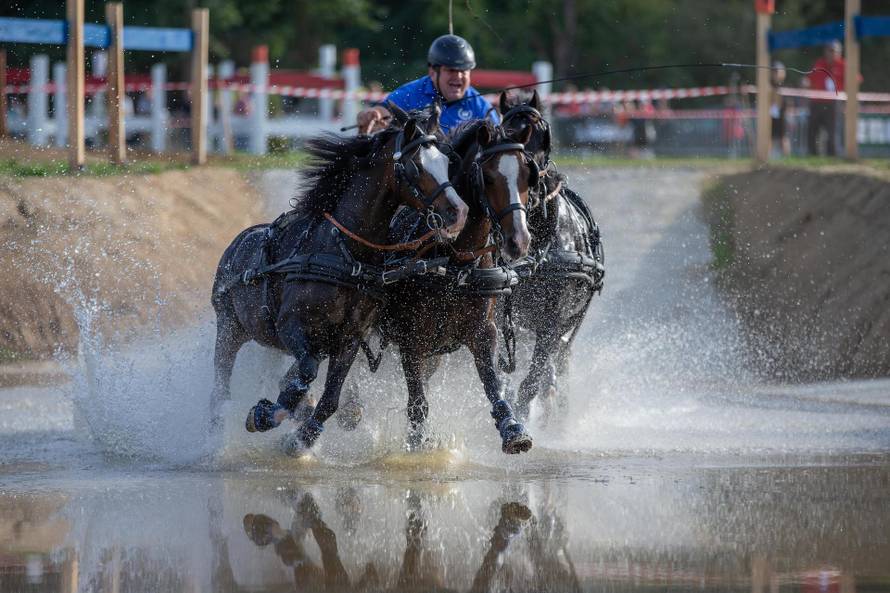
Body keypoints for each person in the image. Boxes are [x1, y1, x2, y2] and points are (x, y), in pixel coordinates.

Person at [356, 34, 500, 135]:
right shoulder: (410, 93)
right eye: (451, 70)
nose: (458, 76)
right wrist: (372, 116)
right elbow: (384, 111)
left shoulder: (481, 108)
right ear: (432, 71)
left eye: (464, 71)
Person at [804, 41, 845, 156]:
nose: (831, 53)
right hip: (816, 103)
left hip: (834, 104)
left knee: (832, 132)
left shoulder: (844, 65)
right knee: (812, 129)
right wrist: (805, 82)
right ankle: (812, 154)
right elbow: (809, 79)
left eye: (833, 50)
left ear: (839, 52)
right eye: (828, 50)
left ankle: (833, 155)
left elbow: (855, 82)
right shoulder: (818, 64)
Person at [770, 61, 790, 157]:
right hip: (771, 116)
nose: (776, 74)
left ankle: (787, 158)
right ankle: (767, 157)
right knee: (770, 137)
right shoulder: (768, 85)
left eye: (778, 71)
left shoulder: (784, 86)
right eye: (774, 71)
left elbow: (787, 103)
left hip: (782, 115)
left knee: (783, 137)